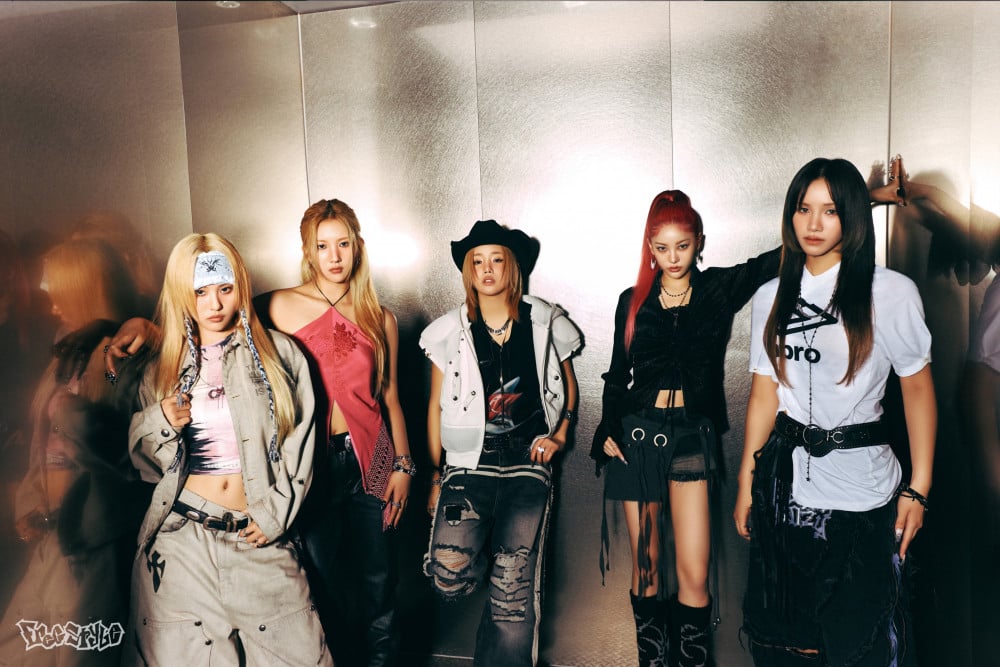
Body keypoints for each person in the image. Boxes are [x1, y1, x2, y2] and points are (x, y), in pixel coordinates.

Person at [734, 158, 936, 666]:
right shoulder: (769, 295)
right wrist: (746, 484)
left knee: (860, 643)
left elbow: (917, 391)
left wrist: (919, 488)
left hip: (863, 495)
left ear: (853, 216)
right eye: (804, 209)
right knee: (789, 646)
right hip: (783, 492)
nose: (814, 223)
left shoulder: (891, 292)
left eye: (830, 210)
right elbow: (763, 395)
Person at [591, 191, 781, 667]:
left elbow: (779, 258)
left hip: (692, 438)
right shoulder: (632, 301)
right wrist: (608, 425)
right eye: (661, 247)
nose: (672, 257)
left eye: (682, 245)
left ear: (699, 243)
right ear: (649, 248)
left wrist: (866, 199)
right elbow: (616, 376)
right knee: (647, 569)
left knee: (694, 572)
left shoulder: (717, 289)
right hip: (637, 439)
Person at [125, 233, 330, 665]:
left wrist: (275, 513)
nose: (214, 304)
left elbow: (302, 443)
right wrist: (160, 421)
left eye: (224, 288)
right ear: (182, 294)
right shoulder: (161, 368)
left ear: (240, 286)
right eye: (200, 292)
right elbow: (146, 469)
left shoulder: (281, 355)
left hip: (257, 535)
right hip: (182, 543)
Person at [420, 219, 581, 667]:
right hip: (468, 464)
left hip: (527, 463)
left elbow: (568, 386)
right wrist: (435, 475)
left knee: (512, 593)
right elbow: (435, 405)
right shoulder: (449, 330)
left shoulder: (544, 320)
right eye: (477, 261)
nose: (487, 270)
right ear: (468, 271)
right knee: (448, 571)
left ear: (512, 267)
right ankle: (495, 577)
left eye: (496, 260)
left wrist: (560, 434)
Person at [261, 198, 413, 667]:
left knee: (379, 581)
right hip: (311, 463)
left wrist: (404, 466)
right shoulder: (277, 306)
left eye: (343, 244)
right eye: (323, 245)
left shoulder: (379, 317)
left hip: (374, 459)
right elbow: (212, 321)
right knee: (320, 582)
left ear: (357, 246)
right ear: (308, 251)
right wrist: (144, 327)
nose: (334, 256)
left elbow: (390, 398)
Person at [0, 238, 145, 666]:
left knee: (82, 655)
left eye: (59, 293)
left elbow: (124, 442)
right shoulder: (66, 353)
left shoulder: (122, 355)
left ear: (84, 289)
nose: (51, 303)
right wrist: (30, 503)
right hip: (52, 536)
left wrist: (73, 411)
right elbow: (40, 439)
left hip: (94, 539)